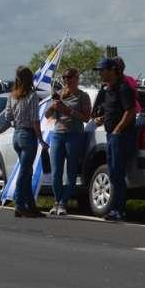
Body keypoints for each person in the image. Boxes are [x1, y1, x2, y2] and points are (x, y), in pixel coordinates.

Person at [93, 58, 136, 222]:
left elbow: (130, 111)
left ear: (112, 70)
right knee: (112, 172)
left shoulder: (123, 88)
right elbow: (112, 111)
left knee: (117, 173)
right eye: (99, 70)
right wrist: (102, 119)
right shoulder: (108, 90)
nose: (100, 73)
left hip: (121, 136)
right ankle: (115, 209)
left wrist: (118, 129)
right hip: (111, 135)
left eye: (102, 70)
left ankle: (119, 210)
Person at [46, 66, 92, 216]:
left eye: (69, 77)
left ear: (76, 78)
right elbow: (47, 115)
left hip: (74, 135)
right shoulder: (59, 94)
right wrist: (53, 106)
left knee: (71, 172)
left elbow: (86, 117)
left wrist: (68, 110)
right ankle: (57, 201)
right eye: (64, 77)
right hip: (57, 134)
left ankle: (63, 202)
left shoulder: (83, 96)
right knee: (56, 172)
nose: (66, 80)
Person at [1, 66, 45, 219]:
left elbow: (8, 116)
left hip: (17, 134)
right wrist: (41, 139)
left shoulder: (12, 96)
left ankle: (31, 206)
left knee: (27, 172)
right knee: (25, 172)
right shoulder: (32, 96)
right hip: (28, 135)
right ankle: (19, 204)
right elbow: (35, 120)